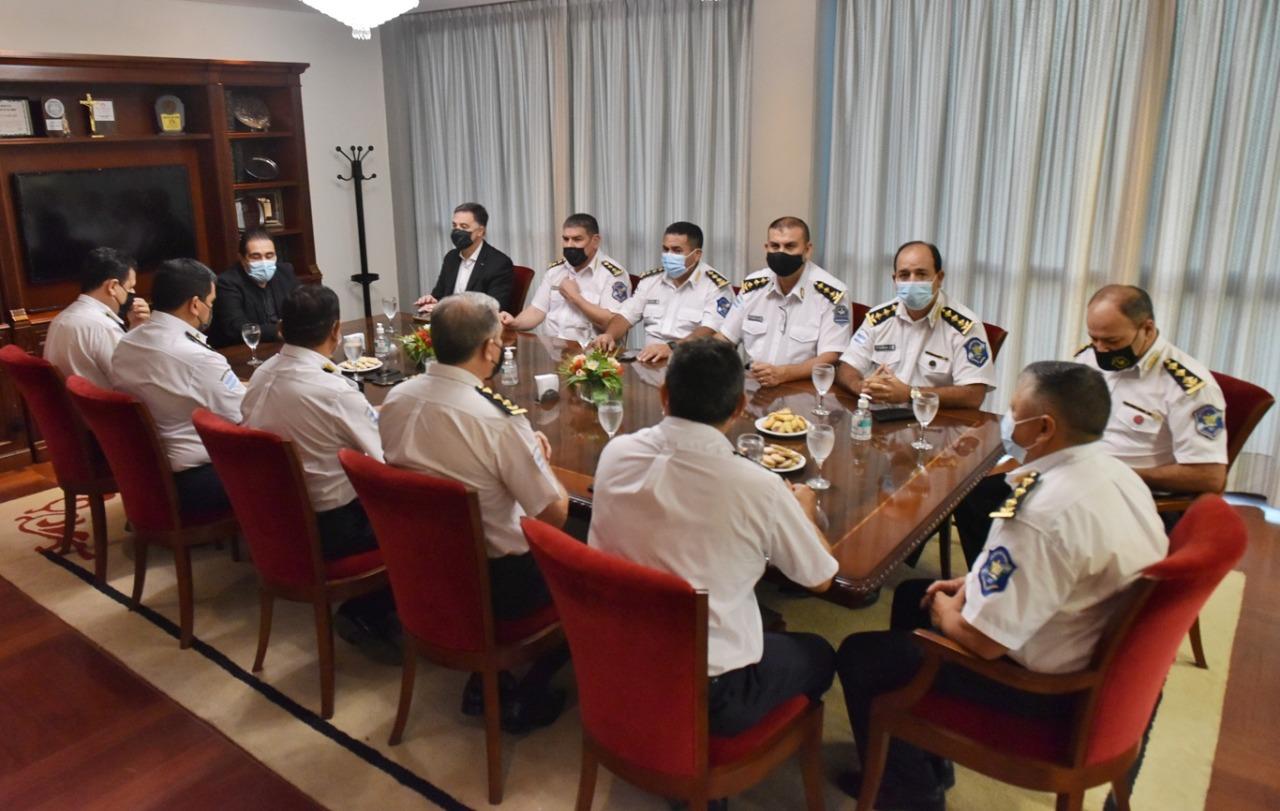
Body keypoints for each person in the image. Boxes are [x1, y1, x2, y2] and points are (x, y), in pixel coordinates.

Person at [835, 361, 1167, 810]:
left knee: (863, 653)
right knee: (914, 594)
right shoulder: (1119, 475)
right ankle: (921, 762)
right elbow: (1056, 567)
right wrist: (971, 582)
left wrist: (945, 613)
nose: (1008, 420)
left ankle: (911, 796)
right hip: (1090, 645)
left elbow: (983, 641)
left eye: (1014, 410)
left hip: (1043, 691)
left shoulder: (1041, 512)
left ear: (1044, 427)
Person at [589, 337, 839, 736]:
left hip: (614, 656)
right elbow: (821, 578)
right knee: (819, 653)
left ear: (663, 394)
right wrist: (805, 513)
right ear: (740, 407)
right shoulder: (759, 486)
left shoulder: (617, 452)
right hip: (710, 693)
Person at [379, 291, 570, 730]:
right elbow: (553, 515)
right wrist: (536, 458)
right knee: (592, 568)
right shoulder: (498, 420)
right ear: (490, 348)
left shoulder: (398, 397)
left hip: (416, 566)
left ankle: (488, 679)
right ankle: (524, 693)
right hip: (496, 583)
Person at [953, 284, 1227, 566]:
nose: (1101, 350)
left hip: (1128, 493)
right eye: (1094, 338)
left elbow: (1209, 476)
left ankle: (1036, 586)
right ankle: (993, 578)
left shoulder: (1189, 387)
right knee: (976, 495)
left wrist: (1123, 473)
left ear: (1146, 328)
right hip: (1069, 473)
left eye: (1111, 341)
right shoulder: (1088, 358)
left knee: (1033, 521)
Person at [241, 284, 396, 655]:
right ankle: (373, 611)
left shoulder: (262, 373)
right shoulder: (335, 391)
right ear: (335, 330)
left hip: (272, 518)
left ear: (282, 329)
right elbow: (385, 466)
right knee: (429, 516)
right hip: (330, 526)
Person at [110, 258, 244, 515]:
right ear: (195, 305)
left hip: (145, 474)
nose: (210, 309)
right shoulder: (197, 357)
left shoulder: (127, 342)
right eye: (211, 303)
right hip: (196, 481)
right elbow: (243, 414)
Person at [836, 241, 995, 409]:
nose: (912, 282)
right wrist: (860, 386)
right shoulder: (879, 318)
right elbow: (846, 367)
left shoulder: (965, 326)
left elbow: (973, 395)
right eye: (904, 275)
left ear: (939, 278)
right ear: (894, 279)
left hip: (934, 423)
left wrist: (911, 394)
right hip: (881, 420)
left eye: (921, 274)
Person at [695, 216, 850, 387]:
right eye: (775, 246)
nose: (781, 252)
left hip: (802, 387)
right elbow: (725, 338)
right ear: (766, 247)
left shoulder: (831, 293)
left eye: (790, 246)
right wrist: (694, 358)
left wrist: (784, 374)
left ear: (807, 250)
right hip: (754, 383)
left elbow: (831, 356)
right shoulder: (754, 285)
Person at [590, 221, 734, 363]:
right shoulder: (651, 280)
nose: (669, 255)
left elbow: (709, 330)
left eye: (677, 250)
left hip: (691, 362)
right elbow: (626, 315)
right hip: (649, 360)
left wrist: (672, 347)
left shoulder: (715, 286)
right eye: (666, 249)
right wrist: (609, 335)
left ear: (696, 255)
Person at [500, 213, 630, 344]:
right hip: (551, 349)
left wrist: (575, 297)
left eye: (577, 239)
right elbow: (537, 311)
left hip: (589, 354)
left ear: (595, 241)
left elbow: (615, 323)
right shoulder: (556, 270)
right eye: (566, 239)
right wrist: (514, 323)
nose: (570, 245)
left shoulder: (612, 275)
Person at [44, 247, 151, 388]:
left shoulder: (60, 318)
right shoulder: (104, 327)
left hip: (71, 406)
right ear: (112, 286)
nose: (133, 293)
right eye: (130, 287)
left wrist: (135, 327)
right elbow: (135, 382)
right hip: (105, 407)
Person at [414, 202, 516, 314]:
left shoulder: (499, 263)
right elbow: (439, 296)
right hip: (448, 325)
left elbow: (494, 309)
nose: (457, 231)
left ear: (480, 231)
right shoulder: (451, 258)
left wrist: (448, 310)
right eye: (454, 226)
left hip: (478, 328)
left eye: (464, 227)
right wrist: (432, 301)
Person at [208, 228, 300, 348]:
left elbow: (302, 308)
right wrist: (279, 331)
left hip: (287, 345)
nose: (264, 262)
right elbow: (236, 327)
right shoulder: (227, 282)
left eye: (269, 256)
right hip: (244, 350)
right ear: (242, 258)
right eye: (255, 257)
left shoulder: (285, 272)